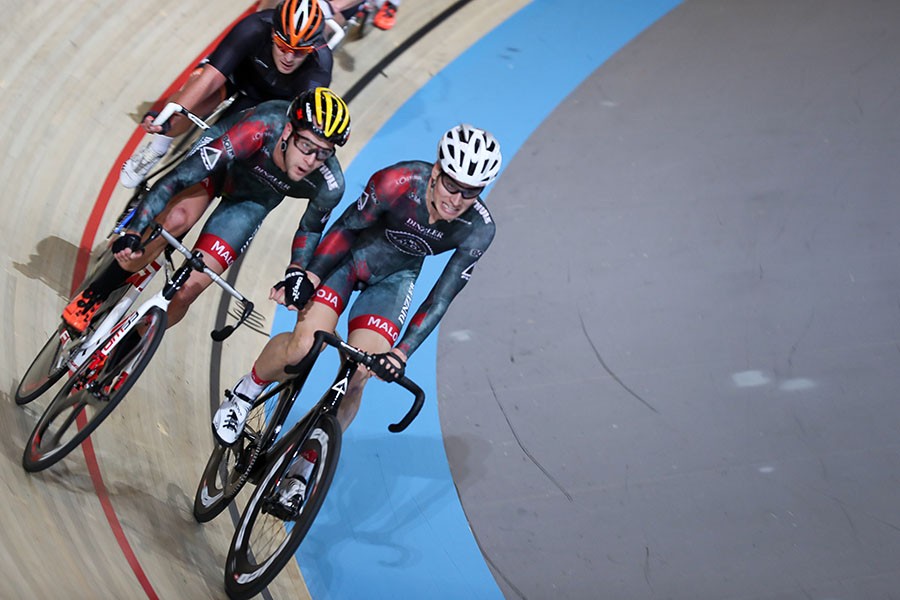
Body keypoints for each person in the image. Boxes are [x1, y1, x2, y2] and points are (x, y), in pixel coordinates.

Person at [214, 123, 502, 515]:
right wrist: (310, 274)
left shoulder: (480, 229)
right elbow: (347, 230)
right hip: (347, 263)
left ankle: (300, 471)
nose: (457, 199)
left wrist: (401, 353)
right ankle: (246, 392)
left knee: (360, 374)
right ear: (436, 172)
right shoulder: (396, 182)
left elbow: (442, 296)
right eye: (452, 185)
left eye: (471, 192)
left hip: (395, 279)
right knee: (303, 347)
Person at [63, 87, 351, 333]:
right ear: (289, 130)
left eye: (323, 152)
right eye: (305, 145)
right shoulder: (261, 127)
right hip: (218, 169)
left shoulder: (330, 184)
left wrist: (296, 272)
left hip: (251, 201)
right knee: (176, 219)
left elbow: (310, 228)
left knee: (190, 288)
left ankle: (124, 353)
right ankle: (95, 295)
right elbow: (178, 178)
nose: (311, 159)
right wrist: (136, 228)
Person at [120, 0, 334, 189]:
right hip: (238, 75)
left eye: (299, 52)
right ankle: (155, 150)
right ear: (272, 33)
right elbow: (210, 79)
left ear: (313, 47)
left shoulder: (320, 65)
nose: (289, 57)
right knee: (196, 90)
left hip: (274, 104)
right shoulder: (254, 26)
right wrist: (167, 118)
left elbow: (295, 125)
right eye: (283, 45)